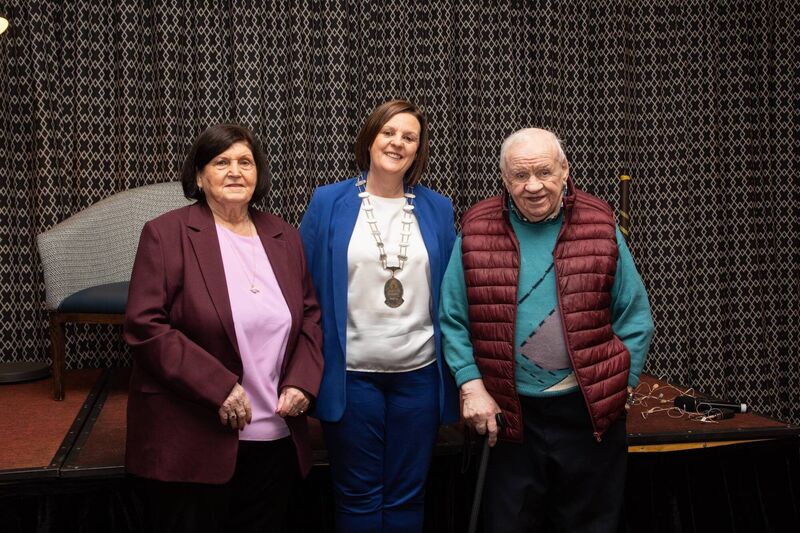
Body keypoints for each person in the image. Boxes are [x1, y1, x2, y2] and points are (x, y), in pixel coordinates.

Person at [440, 128, 654, 532]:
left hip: (587, 414)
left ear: (565, 170)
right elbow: (452, 317)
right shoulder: (476, 227)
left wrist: (621, 387)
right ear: (505, 179)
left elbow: (635, 316)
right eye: (520, 175)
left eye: (544, 172)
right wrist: (471, 385)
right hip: (507, 415)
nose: (534, 186)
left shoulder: (599, 222)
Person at [124, 124, 324, 533]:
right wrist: (219, 387)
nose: (235, 171)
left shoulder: (284, 236)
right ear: (199, 177)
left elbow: (310, 318)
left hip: (275, 437)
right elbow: (146, 326)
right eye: (221, 162)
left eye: (245, 162)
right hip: (193, 439)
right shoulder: (166, 234)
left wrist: (303, 383)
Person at [299, 99, 459, 532]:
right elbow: (303, 288)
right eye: (388, 132)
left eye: (409, 137)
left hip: (419, 377)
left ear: (418, 149)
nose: (397, 143)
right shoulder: (328, 201)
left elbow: (452, 294)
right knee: (357, 496)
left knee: (408, 494)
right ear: (369, 138)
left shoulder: (438, 208)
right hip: (352, 378)